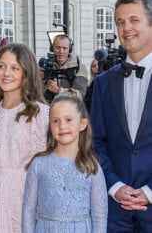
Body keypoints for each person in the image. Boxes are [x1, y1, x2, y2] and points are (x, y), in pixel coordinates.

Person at [0, 43, 50, 233]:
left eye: (15, 68)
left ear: (27, 72)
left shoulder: (42, 114)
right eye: (1, 66)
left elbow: (50, 166)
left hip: (29, 198)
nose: (6, 73)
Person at [91, 0, 152, 232]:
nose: (126, 28)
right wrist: (115, 186)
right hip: (115, 214)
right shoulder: (103, 82)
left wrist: (149, 192)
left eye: (134, 20)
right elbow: (96, 141)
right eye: (120, 22)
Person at [22, 94, 108, 232]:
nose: (62, 126)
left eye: (68, 120)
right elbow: (28, 210)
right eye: (56, 121)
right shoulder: (38, 164)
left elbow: (100, 217)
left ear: (82, 124)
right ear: (50, 126)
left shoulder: (92, 167)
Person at [40, 34, 88, 103]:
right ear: (52, 48)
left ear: (69, 49)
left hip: (70, 110)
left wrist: (58, 91)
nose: (61, 51)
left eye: (64, 48)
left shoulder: (79, 68)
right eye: (58, 48)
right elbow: (35, 93)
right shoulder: (46, 66)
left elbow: (80, 95)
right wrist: (39, 79)